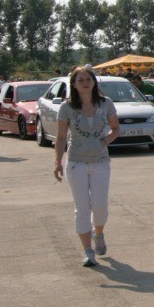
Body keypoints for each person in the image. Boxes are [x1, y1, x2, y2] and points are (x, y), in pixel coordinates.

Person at [54, 66, 120, 267]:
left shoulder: (105, 103)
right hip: (76, 163)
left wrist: (104, 141)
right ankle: (87, 251)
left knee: (100, 207)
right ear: (73, 84)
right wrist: (58, 162)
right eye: (80, 80)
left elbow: (116, 129)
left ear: (94, 82)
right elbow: (61, 136)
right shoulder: (66, 107)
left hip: (100, 162)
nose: (85, 83)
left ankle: (98, 233)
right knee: (82, 208)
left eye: (88, 79)